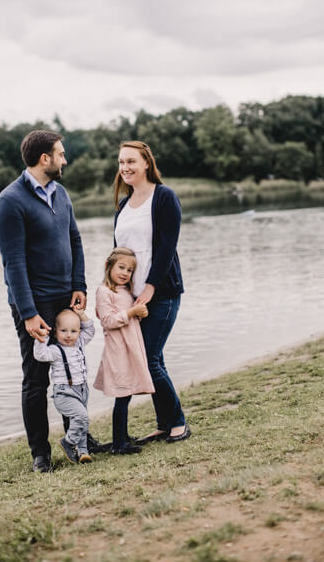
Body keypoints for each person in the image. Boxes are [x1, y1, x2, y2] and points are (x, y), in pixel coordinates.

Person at [0, 129, 99, 473]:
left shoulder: (61, 193)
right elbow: (14, 263)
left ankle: (77, 437)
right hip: (34, 304)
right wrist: (27, 312)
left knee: (72, 369)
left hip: (65, 299)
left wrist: (79, 285)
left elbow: (76, 240)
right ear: (45, 159)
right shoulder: (10, 201)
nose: (64, 160)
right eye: (61, 154)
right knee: (37, 378)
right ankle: (40, 452)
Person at [113, 140, 191, 444]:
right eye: (121, 163)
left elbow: (166, 248)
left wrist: (150, 287)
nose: (126, 168)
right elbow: (118, 254)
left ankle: (179, 423)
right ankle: (165, 423)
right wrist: (116, 292)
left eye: (131, 161)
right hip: (132, 298)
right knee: (149, 357)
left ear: (147, 163)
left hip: (162, 293)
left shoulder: (164, 198)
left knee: (149, 357)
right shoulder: (123, 205)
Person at [94, 247, 155, 455]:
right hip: (118, 350)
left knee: (127, 394)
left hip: (131, 348)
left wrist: (139, 313)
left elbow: (129, 316)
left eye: (129, 270)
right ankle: (118, 443)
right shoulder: (104, 291)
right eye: (121, 267)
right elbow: (108, 320)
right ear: (108, 266)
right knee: (122, 395)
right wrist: (131, 312)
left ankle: (123, 436)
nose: (125, 273)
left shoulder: (126, 291)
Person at [33, 306, 95, 464]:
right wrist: (43, 337)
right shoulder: (55, 350)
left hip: (82, 389)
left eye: (73, 331)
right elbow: (40, 355)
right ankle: (68, 442)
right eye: (64, 331)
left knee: (83, 422)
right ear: (56, 332)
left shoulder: (80, 343)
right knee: (81, 416)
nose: (69, 335)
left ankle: (83, 452)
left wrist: (81, 314)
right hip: (64, 393)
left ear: (79, 332)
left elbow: (90, 330)